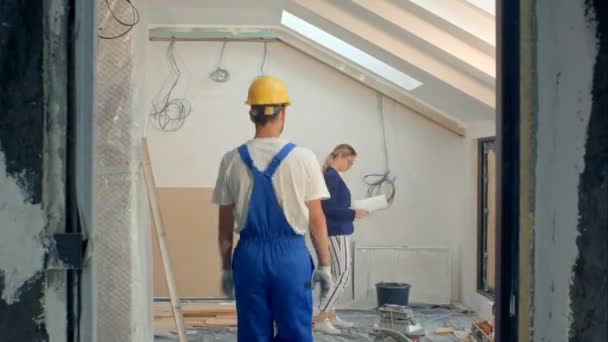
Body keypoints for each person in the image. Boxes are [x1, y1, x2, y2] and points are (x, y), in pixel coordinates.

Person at [212, 76, 334, 341]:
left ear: (251, 113)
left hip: (249, 259)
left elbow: (224, 232)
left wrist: (226, 269)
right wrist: (325, 266)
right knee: (296, 331)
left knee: (253, 333)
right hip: (291, 260)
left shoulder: (231, 160)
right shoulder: (304, 158)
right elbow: (317, 221)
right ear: (283, 112)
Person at [313, 144, 368, 334]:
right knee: (343, 276)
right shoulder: (330, 177)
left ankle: (331, 315)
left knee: (337, 275)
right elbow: (326, 209)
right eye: (349, 161)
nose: (350, 166)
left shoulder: (332, 176)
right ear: (339, 156)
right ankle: (322, 317)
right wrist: (352, 214)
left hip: (339, 230)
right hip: (336, 231)